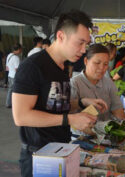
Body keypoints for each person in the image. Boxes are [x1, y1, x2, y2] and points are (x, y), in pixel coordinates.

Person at [12, 10, 108, 177]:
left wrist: (81, 102)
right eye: (80, 43)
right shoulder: (33, 67)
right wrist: (70, 119)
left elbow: (55, 104)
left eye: (86, 44)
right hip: (39, 156)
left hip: (61, 150)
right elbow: (21, 116)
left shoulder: (62, 68)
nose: (84, 50)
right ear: (61, 36)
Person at [70, 44, 125, 137]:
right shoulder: (74, 83)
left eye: (105, 64)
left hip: (107, 136)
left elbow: (119, 113)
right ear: (86, 61)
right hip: (81, 138)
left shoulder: (109, 83)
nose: (102, 68)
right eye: (97, 63)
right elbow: (69, 117)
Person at [6, 43, 22, 108]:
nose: (21, 51)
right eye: (21, 49)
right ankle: (13, 104)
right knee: (15, 91)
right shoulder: (16, 58)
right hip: (14, 76)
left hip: (10, 75)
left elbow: (7, 67)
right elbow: (17, 69)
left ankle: (8, 103)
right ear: (18, 49)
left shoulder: (9, 55)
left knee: (10, 90)